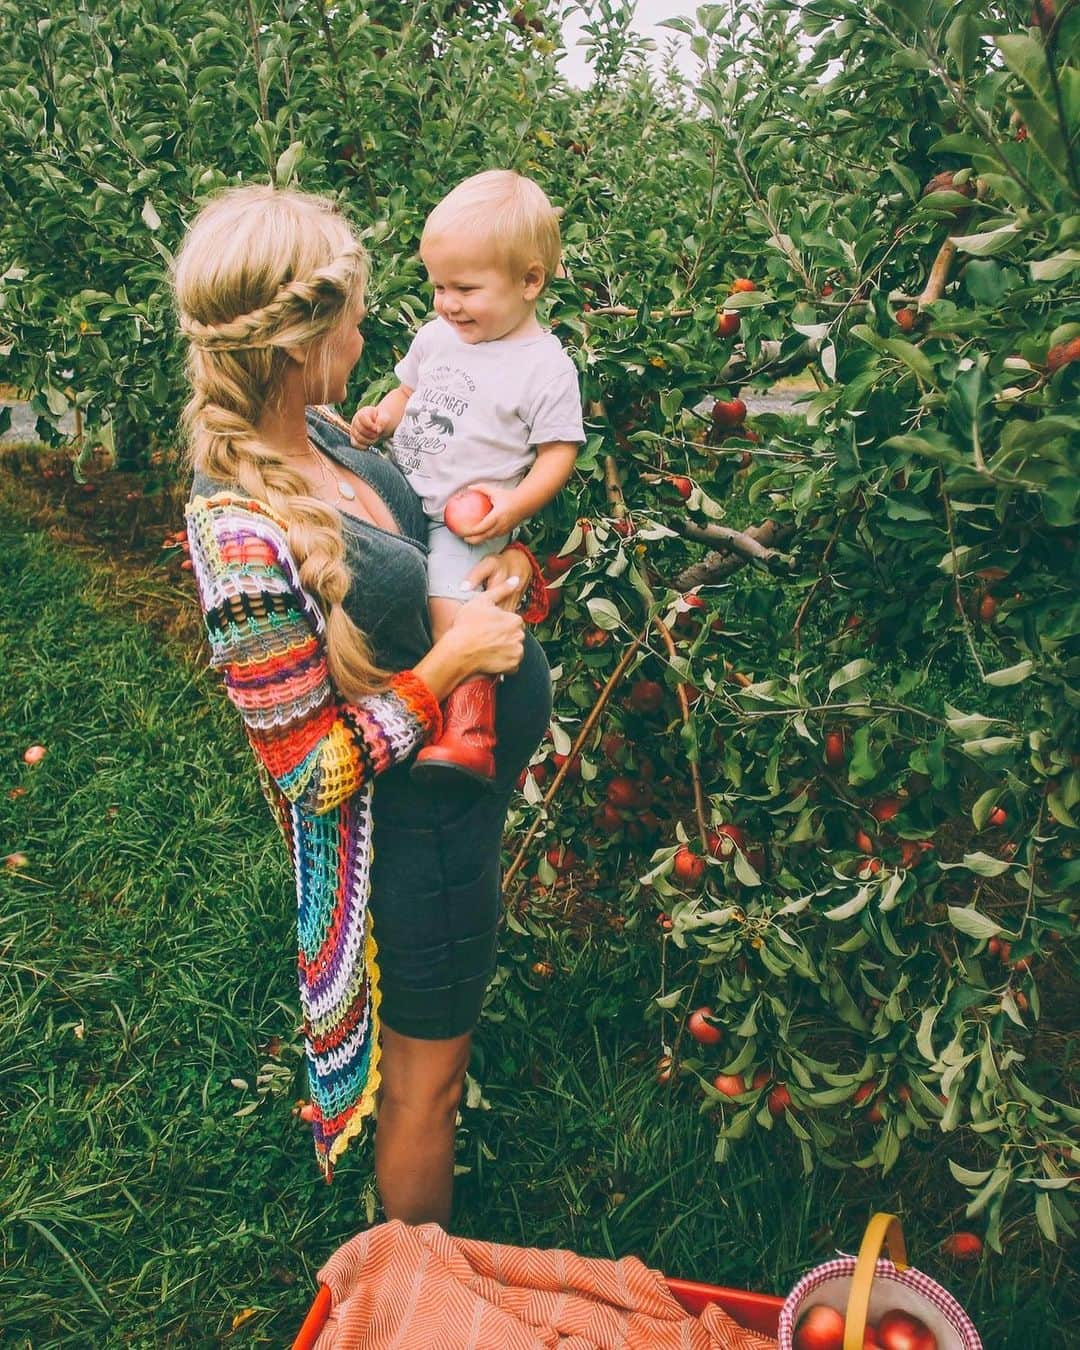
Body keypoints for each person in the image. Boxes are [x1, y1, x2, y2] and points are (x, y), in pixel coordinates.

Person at [173, 184, 553, 1227]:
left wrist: (504, 569)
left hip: (453, 817)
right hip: (403, 846)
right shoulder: (238, 533)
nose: (366, 327)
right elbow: (307, 769)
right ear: (304, 337)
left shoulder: (331, 438)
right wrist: (450, 669)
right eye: (351, 312)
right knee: (423, 1089)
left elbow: (423, 561)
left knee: (437, 1064)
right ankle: (412, 1289)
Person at [350, 169, 583, 787]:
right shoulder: (439, 336)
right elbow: (408, 389)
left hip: (469, 513)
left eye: (466, 288)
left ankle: (469, 726)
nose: (448, 303)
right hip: (405, 488)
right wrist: (381, 418)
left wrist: (512, 509)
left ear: (530, 281)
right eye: (438, 287)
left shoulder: (545, 367)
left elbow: (559, 453)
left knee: (451, 608)